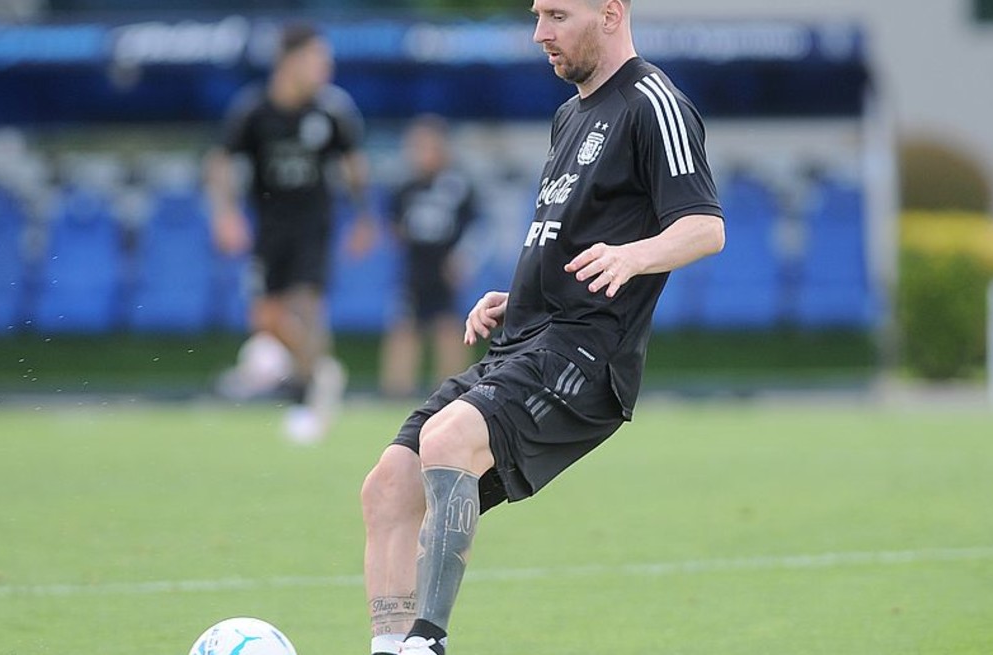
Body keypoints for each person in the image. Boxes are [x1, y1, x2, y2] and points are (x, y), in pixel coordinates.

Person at [359, 0, 726, 653]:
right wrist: (519, 294)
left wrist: (633, 255)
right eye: (537, 15)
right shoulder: (569, 117)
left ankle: (427, 643)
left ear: (611, 12)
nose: (539, 34)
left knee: (447, 441)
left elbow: (706, 227)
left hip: (589, 353)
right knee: (388, 485)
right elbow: (569, 236)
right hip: (529, 337)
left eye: (557, 15)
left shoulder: (653, 101)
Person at [205, 22, 375, 443]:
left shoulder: (332, 109)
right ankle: (320, 371)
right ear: (289, 61)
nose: (325, 67)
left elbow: (354, 165)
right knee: (265, 318)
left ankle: (307, 399)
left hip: (313, 224)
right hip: (268, 227)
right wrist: (225, 214)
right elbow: (221, 162)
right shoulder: (254, 110)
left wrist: (363, 217)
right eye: (317, 59)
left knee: (306, 303)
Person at [380, 115, 479, 399]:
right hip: (414, 267)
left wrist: (463, 257)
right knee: (404, 327)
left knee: (449, 328)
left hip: (445, 267)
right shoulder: (405, 187)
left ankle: (452, 392)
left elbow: (477, 226)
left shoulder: (459, 185)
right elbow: (394, 225)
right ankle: (396, 392)